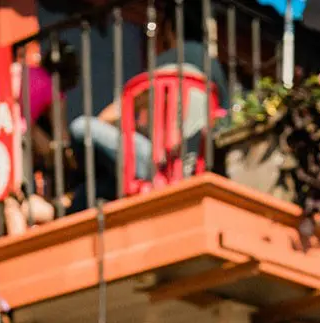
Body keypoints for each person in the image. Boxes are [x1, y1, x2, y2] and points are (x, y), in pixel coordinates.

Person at [68, 8, 228, 206]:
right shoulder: (213, 66)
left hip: (159, 166)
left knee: (83, 127)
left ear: (170, 28)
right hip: (196, 167)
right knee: (96, 188)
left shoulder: (165, 61)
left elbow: (111, 115)